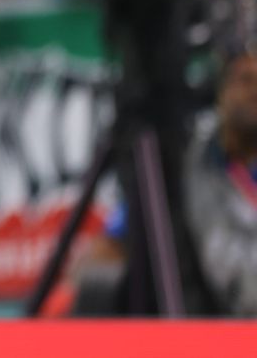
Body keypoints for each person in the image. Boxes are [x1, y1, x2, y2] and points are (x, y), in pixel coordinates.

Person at [68, 43, 257, 316]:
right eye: (245, 80)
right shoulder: (185, 164)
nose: (254, 92)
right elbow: (113, 239)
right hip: (206, 321)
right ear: (221, 93)